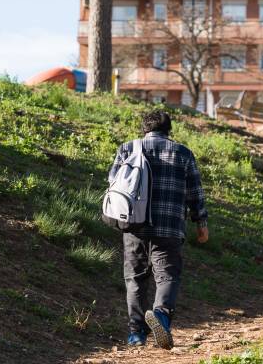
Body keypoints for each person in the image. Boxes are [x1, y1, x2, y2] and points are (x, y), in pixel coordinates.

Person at [108, 109, 208, 350]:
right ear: (168, 129)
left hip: (134, 225)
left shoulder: (127, 148)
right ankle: (161, 315)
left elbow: (113, 181)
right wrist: (201, 222)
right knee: (167, 275)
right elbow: (195, 192)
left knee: (135, 278)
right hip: (170, 226)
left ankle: (136, 334)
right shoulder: (183, 153)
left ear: (145, 129)